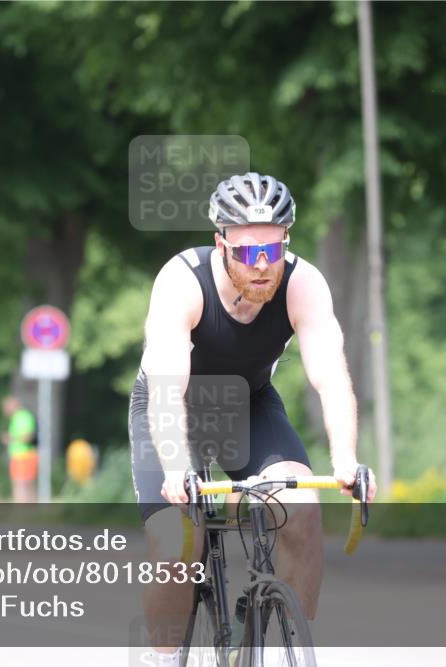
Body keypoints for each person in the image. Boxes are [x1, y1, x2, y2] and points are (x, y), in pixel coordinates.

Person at [129, 173, 378, 665]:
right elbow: (166, 390)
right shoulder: (182, 282)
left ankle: (282, 645)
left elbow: (332, 377)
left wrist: (346, 459)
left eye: (273, 249)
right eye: (247, 251)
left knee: (301, 510)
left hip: (248, 405)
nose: (262, 264)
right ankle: (162, 657)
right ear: (221, 243)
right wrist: (176, 467)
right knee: (178, 540)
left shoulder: (303, 283)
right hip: (172, 409)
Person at [0, 395, 37, 503]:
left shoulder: (23, 417)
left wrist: (11, 438)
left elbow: (28, 437)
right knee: (21, 485)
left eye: (6, 407)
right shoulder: (16, 418)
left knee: (23, 485)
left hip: (24, 456)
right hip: (18, 456)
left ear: (14, 405)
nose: (5, 410)